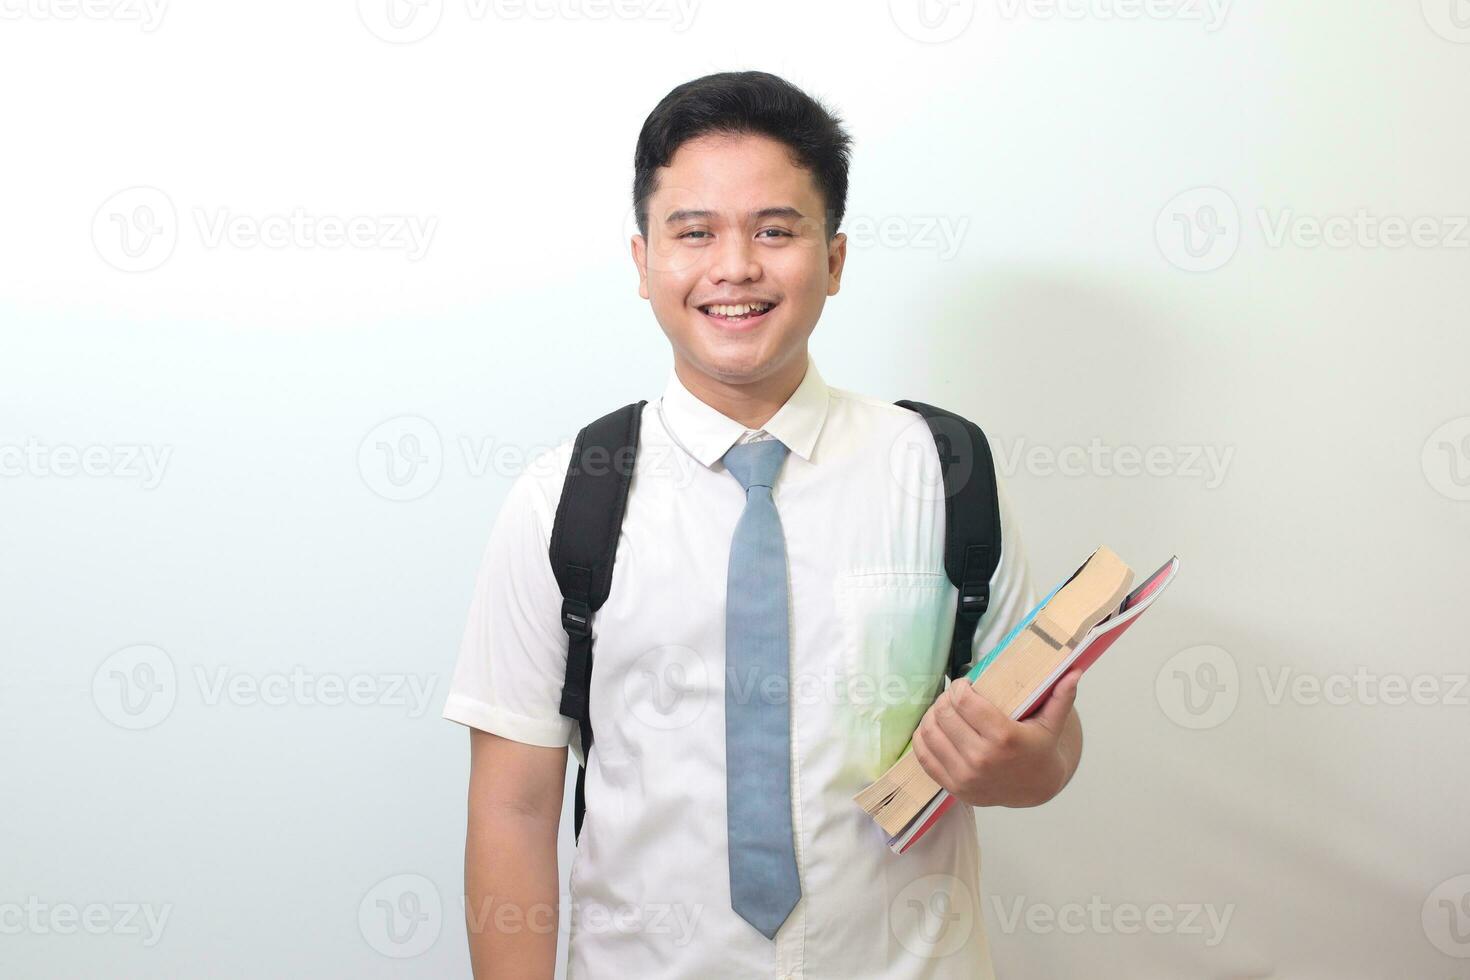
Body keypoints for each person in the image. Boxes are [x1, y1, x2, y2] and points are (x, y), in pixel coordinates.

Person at [443, 69, 1085, 980]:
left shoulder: (946, 474)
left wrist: (1024, 767)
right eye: (694, 231)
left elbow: (1049, 740)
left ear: (833, 258)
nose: (734, 266)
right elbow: (512, 805)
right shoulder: (563, 499)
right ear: (642, 262)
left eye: (775, 231)